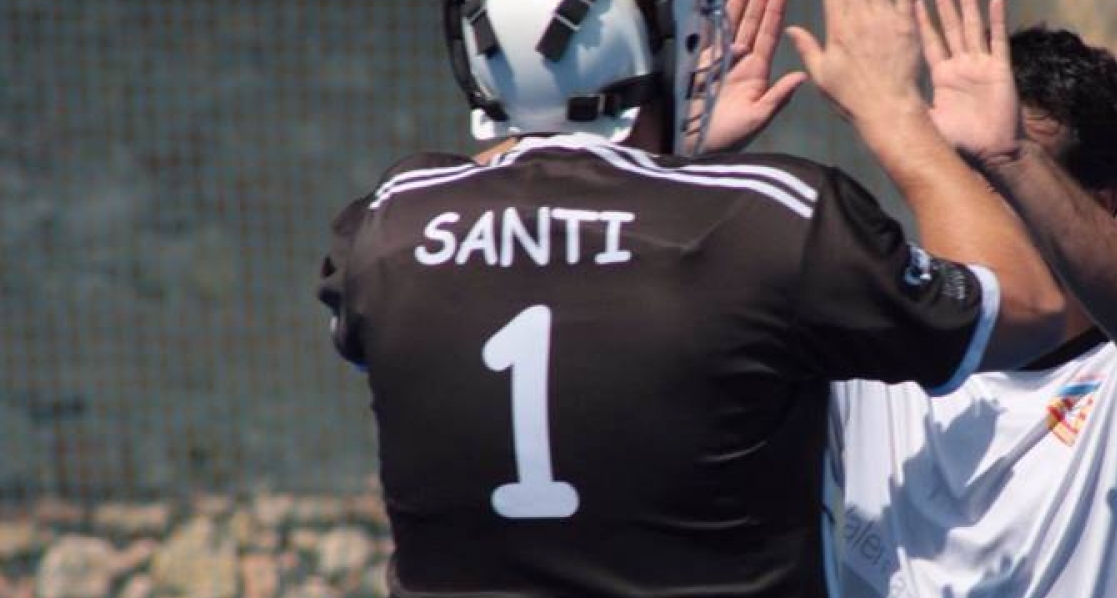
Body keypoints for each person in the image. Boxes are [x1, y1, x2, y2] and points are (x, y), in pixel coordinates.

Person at [315, 0, 1067, 595]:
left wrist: (663, 160)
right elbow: (1028, 310)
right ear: (641, 50)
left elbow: (545, 231)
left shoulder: (386, 228)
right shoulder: (771, 218)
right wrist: (896, 116)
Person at [823, 5, 1117, 598]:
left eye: (992, 174)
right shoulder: (874, 343)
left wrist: (1011, 158)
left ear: (1097, 204)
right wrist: (692, 156)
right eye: (954, 165)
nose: (960, 197)